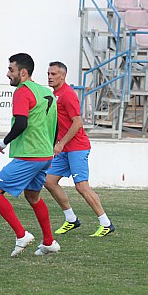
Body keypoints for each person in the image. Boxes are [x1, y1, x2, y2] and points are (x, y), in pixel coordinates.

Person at [0, 53, 60, 257]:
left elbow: (21, 123)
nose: (8, 74)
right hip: (45, 155)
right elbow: (55, 126)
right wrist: (50, 148)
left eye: (11, 70)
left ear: (23, 72)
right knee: (33, 196)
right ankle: (48, 242)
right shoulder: (45, 92)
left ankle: (21, 235)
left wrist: (4, 141)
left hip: (30, 154)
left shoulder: (22, 91)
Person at [43, 61, 115, 237]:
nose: (50, 77)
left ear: (63, 75)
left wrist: (61, 144)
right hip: (65, 148)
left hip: (76, 147)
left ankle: (106, 223)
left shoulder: (68, 94)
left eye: (53, 74)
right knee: (48, 181)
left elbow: (78, 122)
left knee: (81, 186)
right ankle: (71, 219)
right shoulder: (56, 94)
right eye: (48, 74)